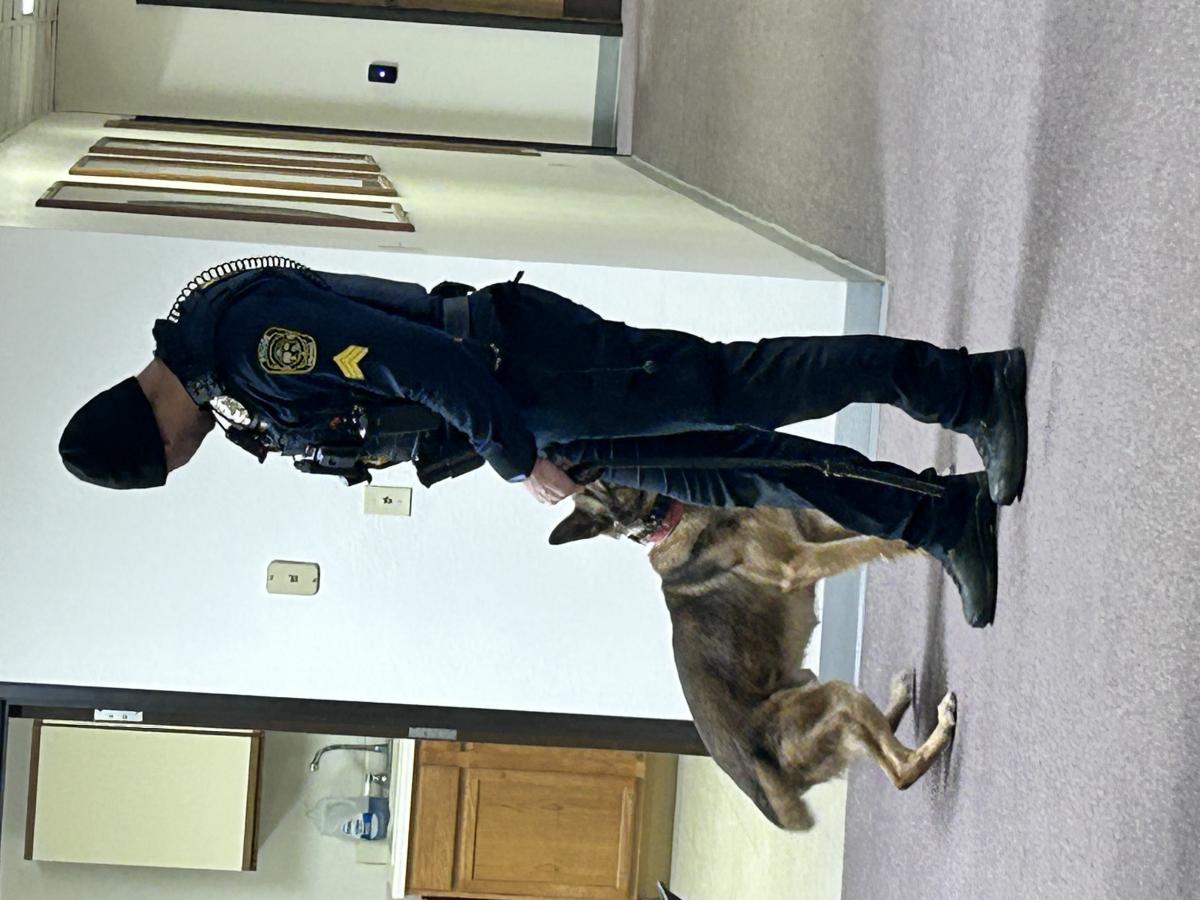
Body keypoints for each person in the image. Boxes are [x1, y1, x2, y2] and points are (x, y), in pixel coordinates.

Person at [59, 257, 1027, 627]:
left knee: (741, 386)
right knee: (736, 472)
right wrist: (516, 447)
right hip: (525, 408)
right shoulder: (221, 358)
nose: (188, 460)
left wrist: (517, 462)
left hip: (527, 373)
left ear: (154, 438)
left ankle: (968, 387)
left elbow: (417, 364)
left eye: (170, 460)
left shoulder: (246, 347)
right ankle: (939, 515)